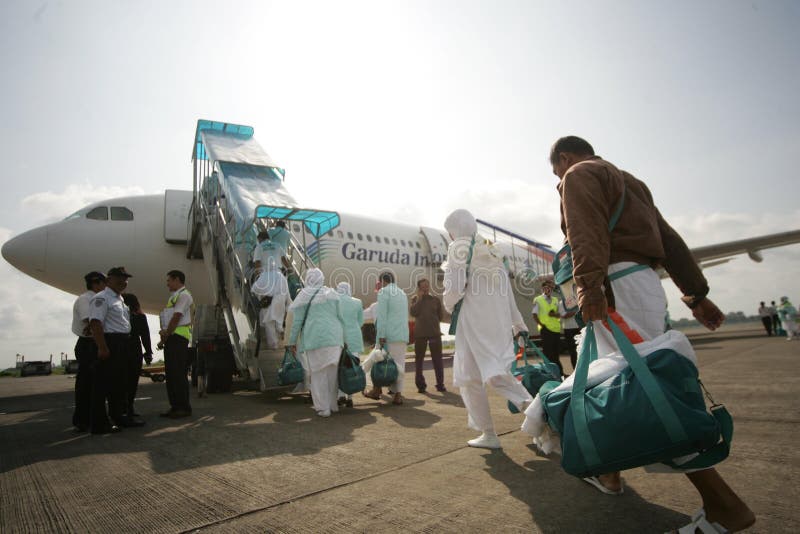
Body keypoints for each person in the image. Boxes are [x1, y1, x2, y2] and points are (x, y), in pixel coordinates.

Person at [545, 136, 754, 531]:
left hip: (615, 287)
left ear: (565, 157)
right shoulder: (630, 181)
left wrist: (588, 288)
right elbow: (671, 241)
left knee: (650, 394)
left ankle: (725, 507)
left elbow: (585, 233)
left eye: (554, 169)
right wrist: (696, 295)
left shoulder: (578, 174)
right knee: (627, 386)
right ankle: (609, 473)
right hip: (642, 283)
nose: (557, 178)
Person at [442, 209, 533, 449]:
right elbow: (508, 293)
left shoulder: (458, 248)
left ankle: (541, 415)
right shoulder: (493, 250)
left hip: (473, 323)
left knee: (485, 377)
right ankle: (489, 434)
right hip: (497, 322)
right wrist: (518, 324)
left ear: (454, 230)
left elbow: (454, 287)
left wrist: (448, 303)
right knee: (476, 376)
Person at [287, 268, 346, 417]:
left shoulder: (303, 296)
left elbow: (297, 323)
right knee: (332, 374)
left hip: (315, 338)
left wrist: (292, 342)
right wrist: (344, 339)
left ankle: (323, 408)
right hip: (335, 338)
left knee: (318, 374)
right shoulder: (332, 293)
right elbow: (341, 317)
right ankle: (333, 405)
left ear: (308, 279)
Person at [88, 267, 135, 433]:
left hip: (122, 343)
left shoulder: (119, 298)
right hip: (110, 342)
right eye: (119, 278)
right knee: (103, 385)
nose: (123, 281)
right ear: (108, 281)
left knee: (119, 384)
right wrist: (102, 347)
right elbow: (95, 323)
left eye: (125, 278)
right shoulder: (102, 298)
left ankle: (119, 417)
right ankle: (100, 424)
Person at [363, 272, 409, 405]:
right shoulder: (402, 293)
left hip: (388, 336)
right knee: (399, 365)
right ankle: (398, 395)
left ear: (383, 281)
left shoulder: (384, 292)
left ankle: (376, 390)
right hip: (402, 335)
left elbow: (382, 316)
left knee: (378, 361)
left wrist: (381, 336)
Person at [71, 271, 106, 431]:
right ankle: (82, 420)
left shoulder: (93, 298)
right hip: (88, 345)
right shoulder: (86, 299)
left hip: (92, 342)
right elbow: (90, 321)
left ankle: (90, 418)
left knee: (93, 384)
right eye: (103, 282)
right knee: (86, 385)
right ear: (96, 283)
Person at [157, 270, 194, 418]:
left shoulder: (184, 295)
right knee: (171, 375)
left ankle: (183, 407)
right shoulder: (174, 296)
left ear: (177, 279)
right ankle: (175, 406)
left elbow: (177, 316)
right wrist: (164, 338)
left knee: (178, 374)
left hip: (179, 338)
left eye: (169, 280)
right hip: (172, 338)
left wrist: (166, 334)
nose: (167, 283)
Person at [409, 278, 446, 393]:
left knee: (438, 361)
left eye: (427, 285)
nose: (425, 287)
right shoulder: (415, 299)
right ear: (419, 288)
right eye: (423, 286)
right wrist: (419, 299)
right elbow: (413, 313)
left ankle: (440, 385)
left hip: (434, 334)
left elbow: (440, 316)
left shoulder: (435, 299)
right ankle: (421, 385)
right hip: (420, 335)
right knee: (419, 361)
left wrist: (433, 324)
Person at [122, 293, 152, 422]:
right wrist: (148, 352)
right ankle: (129, 407)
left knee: (121, 380)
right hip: (135, 348)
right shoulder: (140, 316)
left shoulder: (120, 315)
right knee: (133, 381)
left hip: (121, 347)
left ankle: (123, 409)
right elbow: (145, 335)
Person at [252, 268, 292, 349]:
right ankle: (280, 332)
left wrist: (261, 296)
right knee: (278, 321)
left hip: (268, 302)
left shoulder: (264, 275)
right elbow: (287, 292)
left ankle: (274, 345)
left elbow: (255, 289)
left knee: (269, 323)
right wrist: (288, 304)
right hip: (280, 302)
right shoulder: (281, 277)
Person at [532, 280, 565, 377]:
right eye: (546, 287)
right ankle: (550, 374)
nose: (549, 289)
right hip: (546, 330)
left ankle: (559, 373)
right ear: (543, 288)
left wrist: (555, 315)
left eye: (550, 287)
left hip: (556, 330)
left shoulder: (555, 300)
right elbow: (534, 314)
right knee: (548, 354)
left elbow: (559, 315)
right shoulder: (538, 300)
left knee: (556, 354)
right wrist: (542, 325)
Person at [558, 299, 580, 372]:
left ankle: (583, 368)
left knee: (581, 350)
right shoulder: (562, 303)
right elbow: (564, 315)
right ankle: (575, 370)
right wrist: (576, 311)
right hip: (569, 329)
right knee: (573, 351)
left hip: (579, 327)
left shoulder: (577, 300)